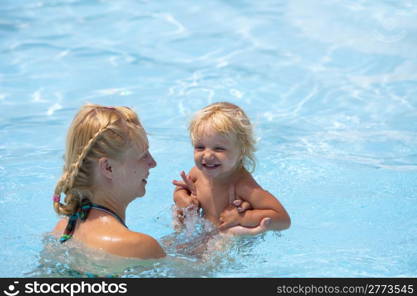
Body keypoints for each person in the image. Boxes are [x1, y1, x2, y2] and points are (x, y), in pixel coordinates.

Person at [52, 104, 165, 259]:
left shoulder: (62, 231)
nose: (153, 163)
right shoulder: (139, 246)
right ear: (108, 168)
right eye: (143, 155)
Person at [172, 102, 291, 236]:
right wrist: (182, 198)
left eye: (219, 149)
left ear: (242, 151)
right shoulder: (198, 172)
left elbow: (283, 220)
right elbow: (182, 188)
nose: (207, 155)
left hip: (229, 241)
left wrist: (244, 218)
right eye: (200, 147)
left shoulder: (242, 185)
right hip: (203, 233)